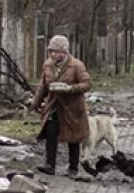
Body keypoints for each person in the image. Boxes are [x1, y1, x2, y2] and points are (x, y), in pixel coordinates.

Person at [31, 35, 92, 176]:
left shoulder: (76, 65)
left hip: (72, 107)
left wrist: (70, 88)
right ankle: (49, 165)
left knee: (73, 137)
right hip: (54, 105)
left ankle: (73, 168)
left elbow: (87, 84)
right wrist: (35, 103)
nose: (52, 54)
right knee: (51, 134)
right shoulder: (48, 65)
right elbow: (42, 86)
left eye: (56, 51)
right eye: (51, 51)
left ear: (64, 52)